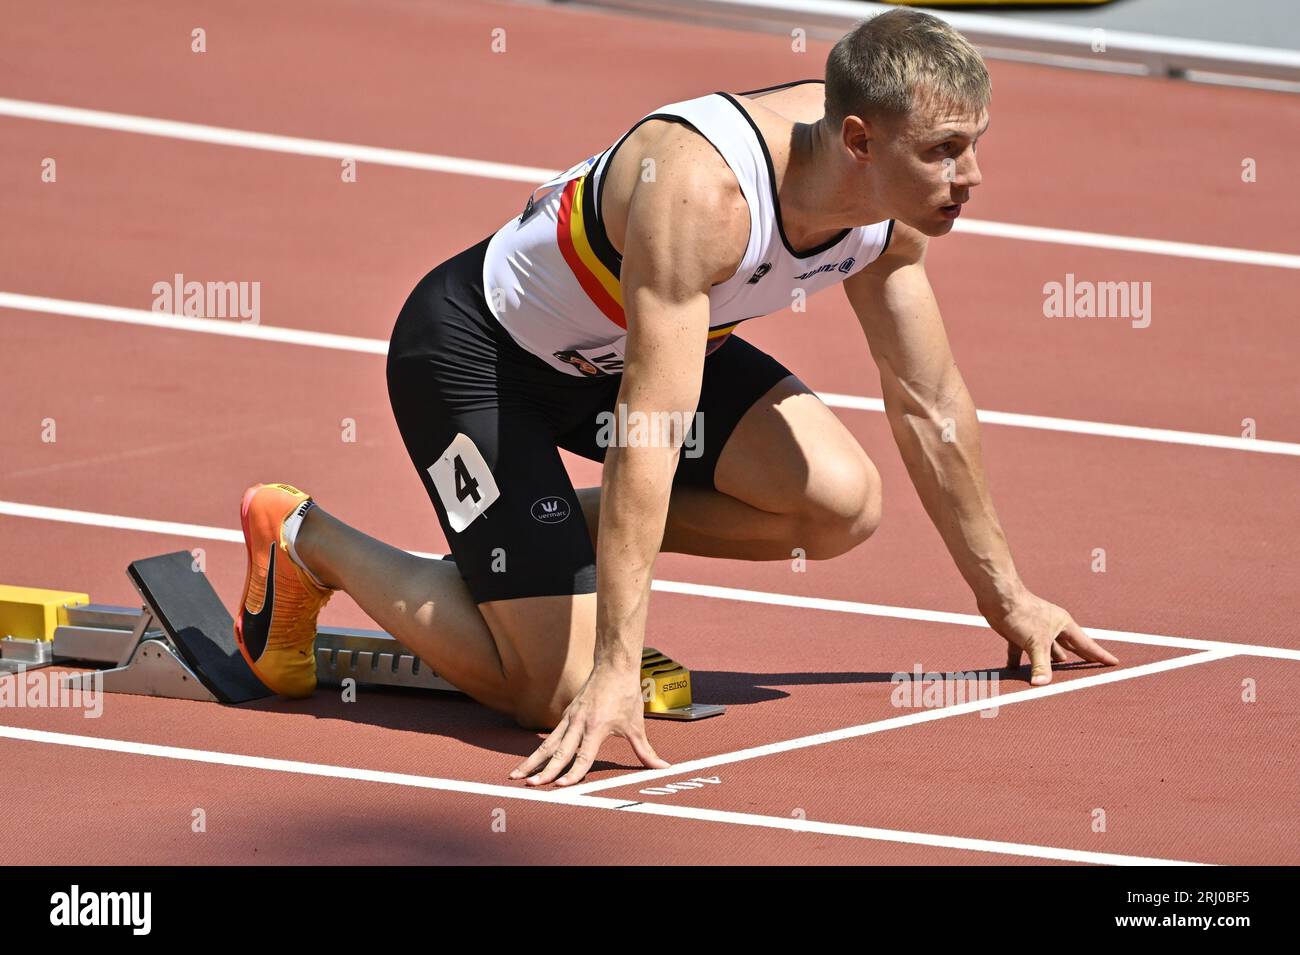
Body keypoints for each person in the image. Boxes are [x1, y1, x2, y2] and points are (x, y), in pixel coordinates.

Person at [233, 9, 1118, 788]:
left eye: (974, 144)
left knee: (842, 507)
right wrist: (616, 664)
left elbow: (930, 401)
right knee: (550, 693)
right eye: (944, 153)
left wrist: (1006, 596)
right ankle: (311, 541)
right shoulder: (703, 192)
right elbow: (646, 435)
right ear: (857, 139)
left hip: (631, 363)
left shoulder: (888, 205)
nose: (970, 177)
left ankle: (550, 535)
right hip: (481, 360)